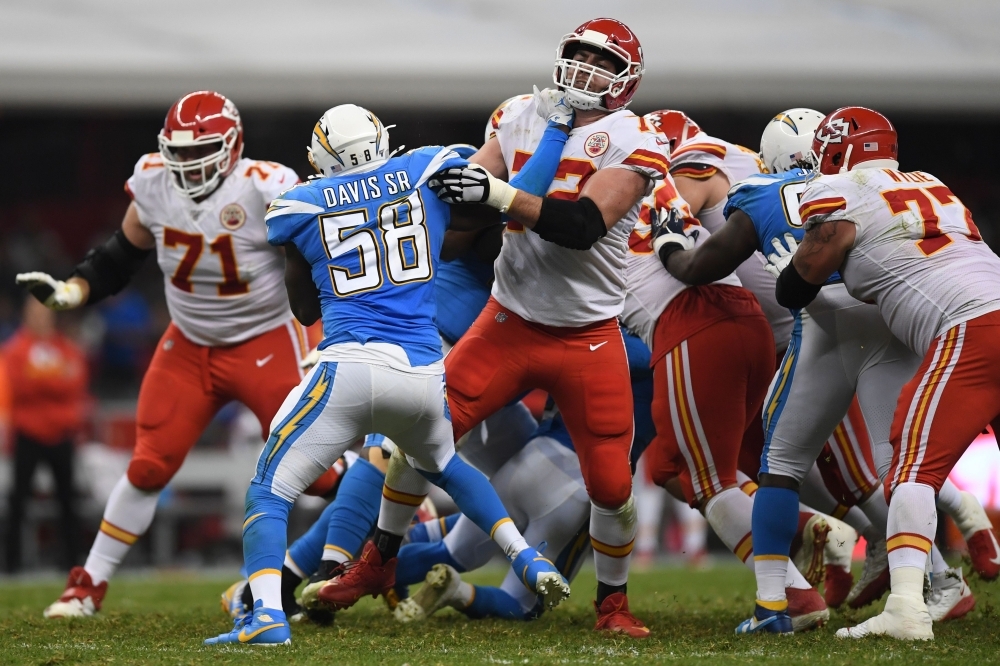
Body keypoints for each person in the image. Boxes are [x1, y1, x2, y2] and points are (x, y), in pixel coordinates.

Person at [205, 102, 570, 646]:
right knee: (445, 464)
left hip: (348, 365)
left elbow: (304, 310)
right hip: (423, 370)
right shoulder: (425, 168)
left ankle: (265, 615)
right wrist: (555, 133)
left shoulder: (296, 204)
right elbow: (509, 204)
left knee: (269, 489)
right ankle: (525, 558)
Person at [17, 90, 314, 618]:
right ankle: (86, 587)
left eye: (196, 152)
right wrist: (72, 292)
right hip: (189, 342)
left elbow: (317, 261)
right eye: (176, 152)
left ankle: (378, 549)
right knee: (149, 465)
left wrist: (322, 334)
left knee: (319, 466)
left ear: (232, 147)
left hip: (265, 339)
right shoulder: (154, 180)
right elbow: (120, 255)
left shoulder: (266, 186)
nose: (184, 163)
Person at [426, 18, 666, 638]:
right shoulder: (519, 113)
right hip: (508, 318)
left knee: (612, 486)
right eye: (578, 55)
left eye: (602, 60)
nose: (585, 68)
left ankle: (612, 604)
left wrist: (498, 197)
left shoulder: (635, 137)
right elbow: (462, 211)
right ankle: (372, 558)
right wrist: (451, 192)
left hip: (587, 332)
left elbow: (582, 225)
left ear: (627, 79)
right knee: (423, 428)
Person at [763, 106, 1000, 640]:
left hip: (971, 326)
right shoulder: (932, 183)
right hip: (988, 303)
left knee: (909, 468)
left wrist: (793, 267)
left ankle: (908, 608)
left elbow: (797, 285)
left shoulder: (841, 192)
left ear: (839, 149)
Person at [3, 298, 90, 573]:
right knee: (18, 500)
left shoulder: (66, 348)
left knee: (67, 500)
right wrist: (56, 379)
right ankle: (11, 564)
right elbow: (19, 385)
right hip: (27, 432)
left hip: (62, 434)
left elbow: (76, 381)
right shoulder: (16, 349)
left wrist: (41, 379)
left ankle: (72, 562)